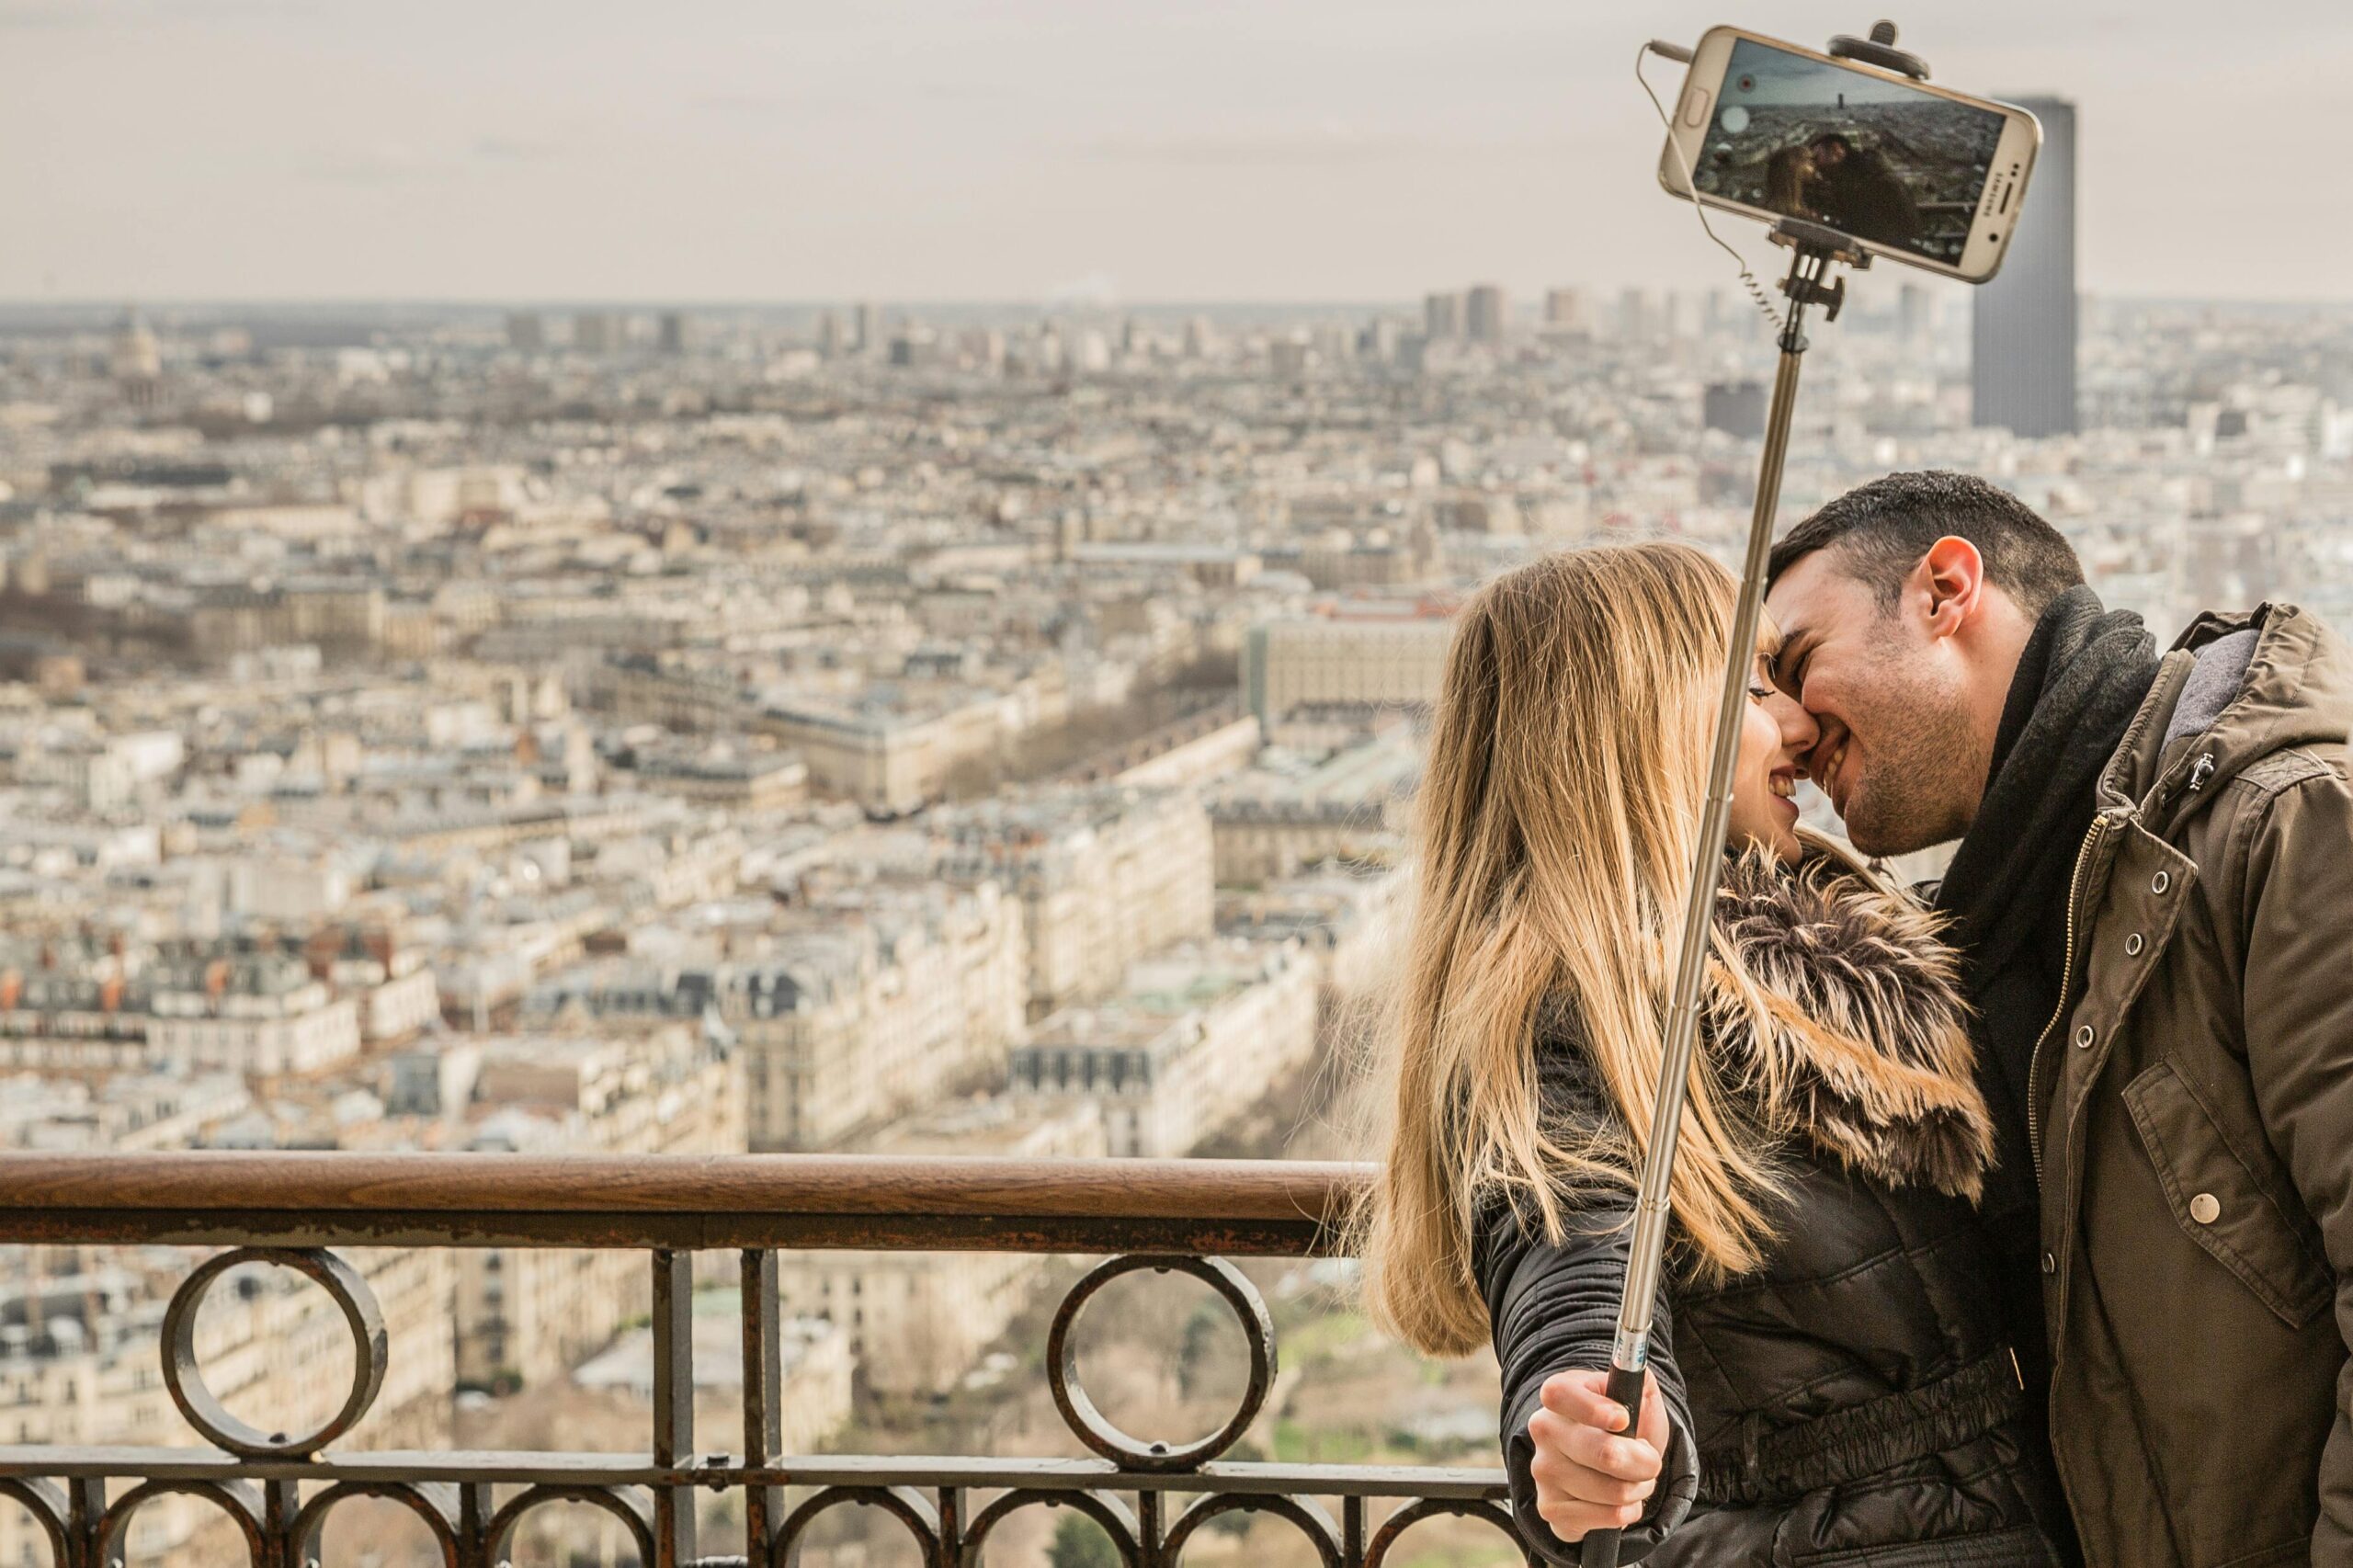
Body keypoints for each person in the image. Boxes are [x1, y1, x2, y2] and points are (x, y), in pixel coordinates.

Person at [1356, 541, 2065, 1563]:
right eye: (1751, 684)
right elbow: (1570, 1257)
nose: (1798, 721)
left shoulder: (1818, 952)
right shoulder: (1571, 1018)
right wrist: (1588, 1429)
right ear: (1633, 728)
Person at [1763, 470, 2353, 1567]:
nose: (1787, 732)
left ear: (1945, 589)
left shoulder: (2280, 826)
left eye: (1797, 664)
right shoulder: (2022, 913)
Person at [1806, 132, 1922, 248]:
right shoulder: (1867, 177)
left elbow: (1862, 227)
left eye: (1816, 157)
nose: (1815, 165)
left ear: (1837, 149)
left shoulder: (1872, 183)